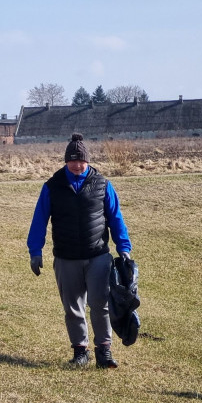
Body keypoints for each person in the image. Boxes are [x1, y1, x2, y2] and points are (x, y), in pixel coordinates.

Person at [27, 133, 132, 368]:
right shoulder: (52, 186)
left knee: (100, 304)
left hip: (98, 256)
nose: (77, 165)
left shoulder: (102, 184)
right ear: (66, 161)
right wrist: (35, 251)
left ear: (88, 161)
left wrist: (124, 248)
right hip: (66, 258)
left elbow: (116, 218)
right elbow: (39, 220)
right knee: (73, 308)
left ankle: (104, 351)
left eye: (81, 161)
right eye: (72, 160)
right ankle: (80, 351)